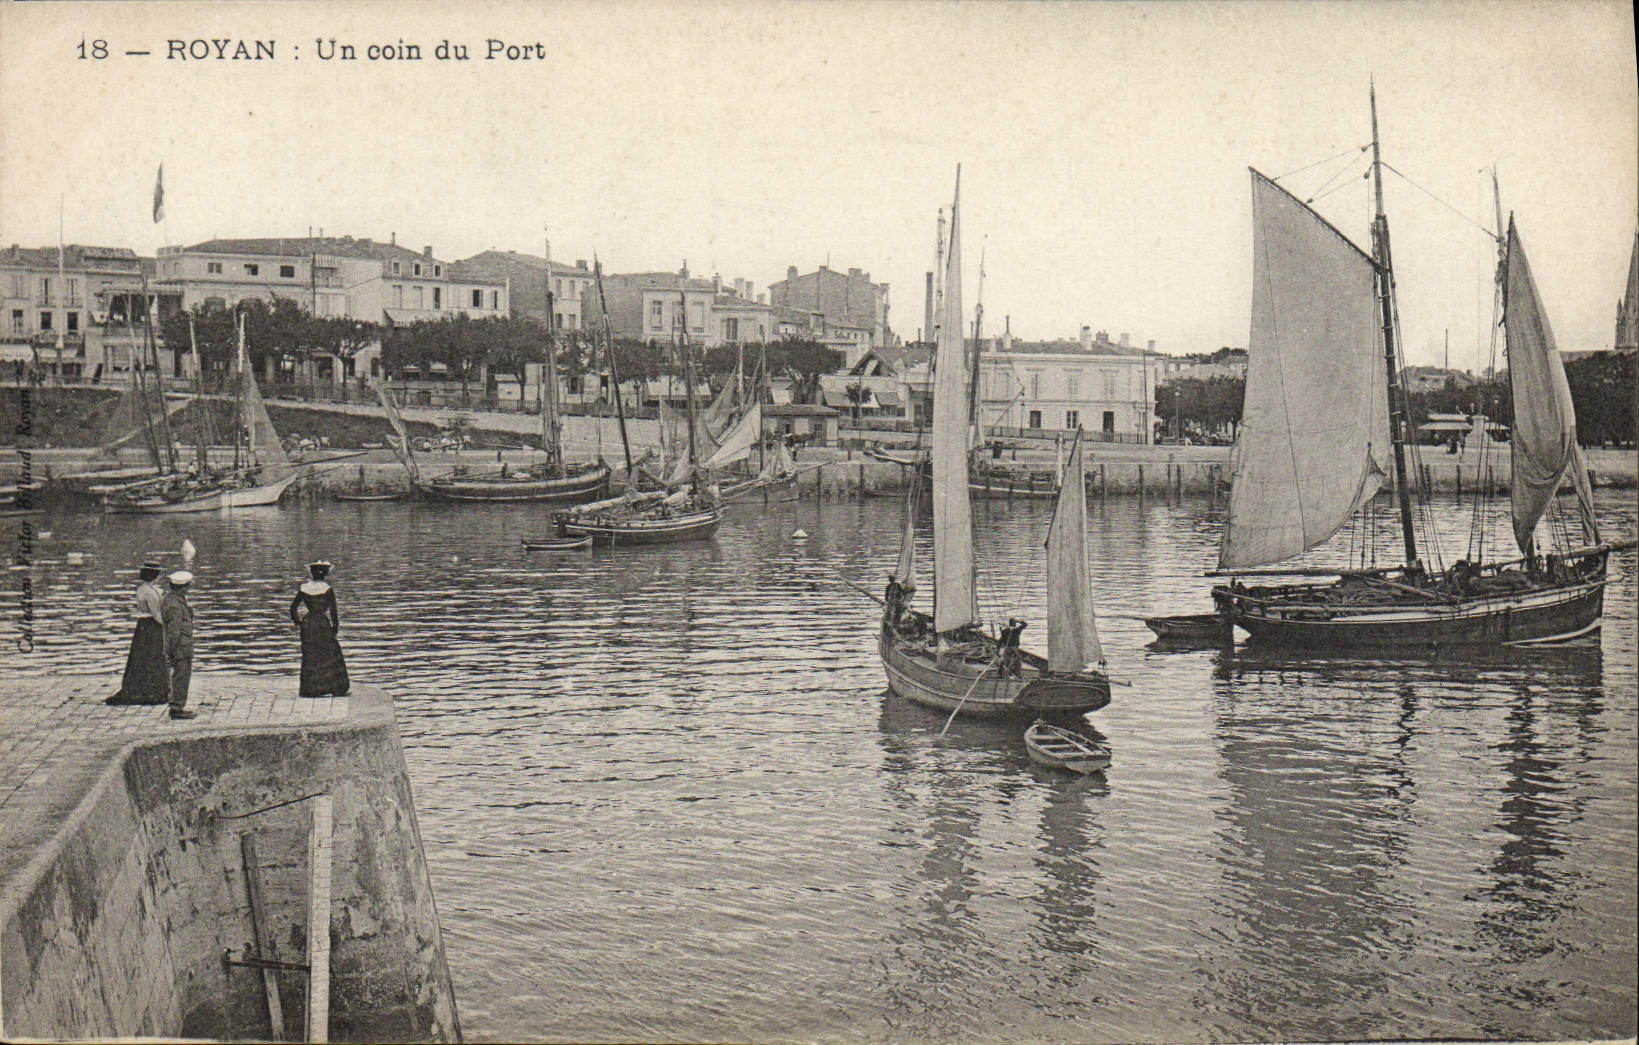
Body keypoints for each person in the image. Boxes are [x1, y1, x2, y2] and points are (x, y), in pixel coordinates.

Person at [108, 561, 168, 705]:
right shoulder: (151, 592)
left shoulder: (141, 589)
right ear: (155, 575)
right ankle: (152, 691)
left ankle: (138, 687)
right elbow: (156, 615)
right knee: (153, 657)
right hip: (151, 626)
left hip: (142, 626)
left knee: (140, 657)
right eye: (159, 574)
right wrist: (168, 626)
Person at [290, 561, 350, 698]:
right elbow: (333, 611)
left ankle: (310, 689)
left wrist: (298, 622)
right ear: (325, 574)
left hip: (308, 624)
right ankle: (333, 687)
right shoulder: (327, 589)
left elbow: (293, 607)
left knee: (310, 655)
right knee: (328, 654)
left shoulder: (304, 588)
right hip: (322, 624)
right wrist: (335, 628)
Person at [162, 571, 196, 720]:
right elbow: (174, 630)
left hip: (181, 645)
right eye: (188, 586)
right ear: (183, 587)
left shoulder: (174, 600)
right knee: (181, 676)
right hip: (180, 646)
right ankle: (177, 707)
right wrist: (170, 650)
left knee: (181, 675)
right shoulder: (174, 605)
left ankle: (177, 705)